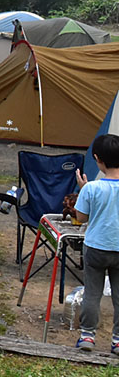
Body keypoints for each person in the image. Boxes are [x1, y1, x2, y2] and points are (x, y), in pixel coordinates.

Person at [72, 134, 119, 354]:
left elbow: (81, 218)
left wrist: (83, 189)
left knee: (92, 293)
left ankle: (87, 336)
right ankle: (117, 340)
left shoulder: (91, 188)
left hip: (96, 246)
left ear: (97, 159)